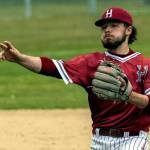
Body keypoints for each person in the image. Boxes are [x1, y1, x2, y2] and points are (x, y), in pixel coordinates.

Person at [0, 7, 150, 150]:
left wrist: (129, 96)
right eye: (104, 27)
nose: (107, 30)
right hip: (99, 141)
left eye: (114, 25)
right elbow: (52, 67)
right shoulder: (91, 62)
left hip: (133, 140)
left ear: (128, 30)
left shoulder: (144, 65)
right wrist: (20, 58)